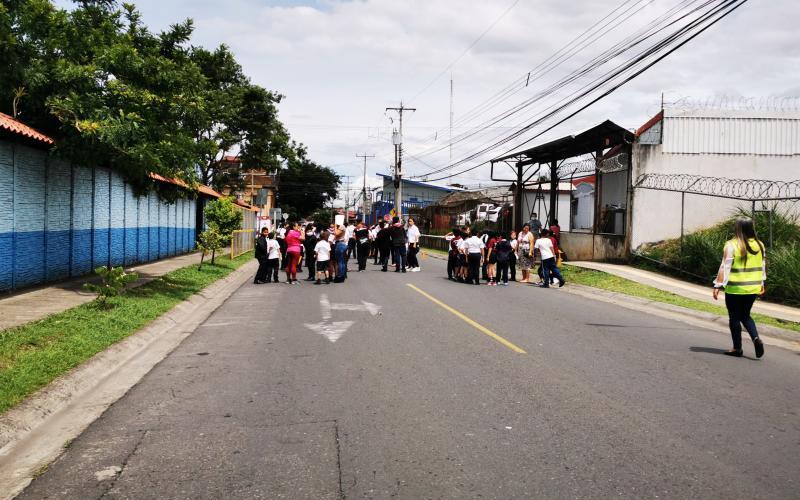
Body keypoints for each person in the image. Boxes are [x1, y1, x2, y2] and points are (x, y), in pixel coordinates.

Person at [713, 217, 766, 358]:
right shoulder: (760, 244)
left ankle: (737, 348)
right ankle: (755, 338)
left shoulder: (731, 245)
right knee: (745, 315)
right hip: (753, 288)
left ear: (738, 229)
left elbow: (725, 266)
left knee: (734, 318)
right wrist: (762, 283)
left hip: (735, 288)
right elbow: (762, 266)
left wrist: (717, 285)